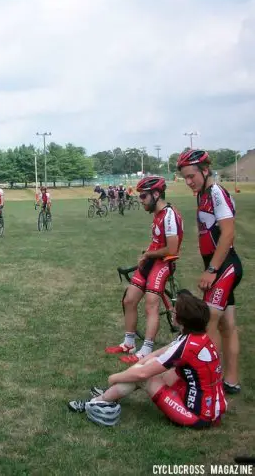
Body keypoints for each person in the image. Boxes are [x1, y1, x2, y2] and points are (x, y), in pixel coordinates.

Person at [69, 290, 226, 428]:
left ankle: (97, 402)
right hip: (211, 409)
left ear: (181, 320)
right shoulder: (197, 337)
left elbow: (143, 375)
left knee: (146, 377)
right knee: (151, 369)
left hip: (197, 417)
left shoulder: (186, 346)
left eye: (174, 311)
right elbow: (156, 355)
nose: (171, 311)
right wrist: (137, 367)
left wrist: (114, 377)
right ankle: (108, 396)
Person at [177, 149, 243, 394]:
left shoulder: (216, 193)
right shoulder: (202, 194)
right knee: (227, 325)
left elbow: (228, 233)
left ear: (205, 171)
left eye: (191, 176)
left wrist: (212, 270)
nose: (188, 181)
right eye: (185, 177)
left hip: (225, 267)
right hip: (219, 268)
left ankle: (208, 383)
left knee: (208, 323)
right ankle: (230, 381)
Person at [105, 176, 183, 363]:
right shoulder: (157, 214)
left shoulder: (169, 215)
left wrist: (149, 255)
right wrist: (147, 254)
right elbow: (157, 242)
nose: (141, 201)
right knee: (129, 299)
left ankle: (146, 350)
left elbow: (172, 249)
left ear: (156, 194)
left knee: (151, 304)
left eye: (143, 197)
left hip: (164, 263)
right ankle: (129, 343)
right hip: (151, 262)